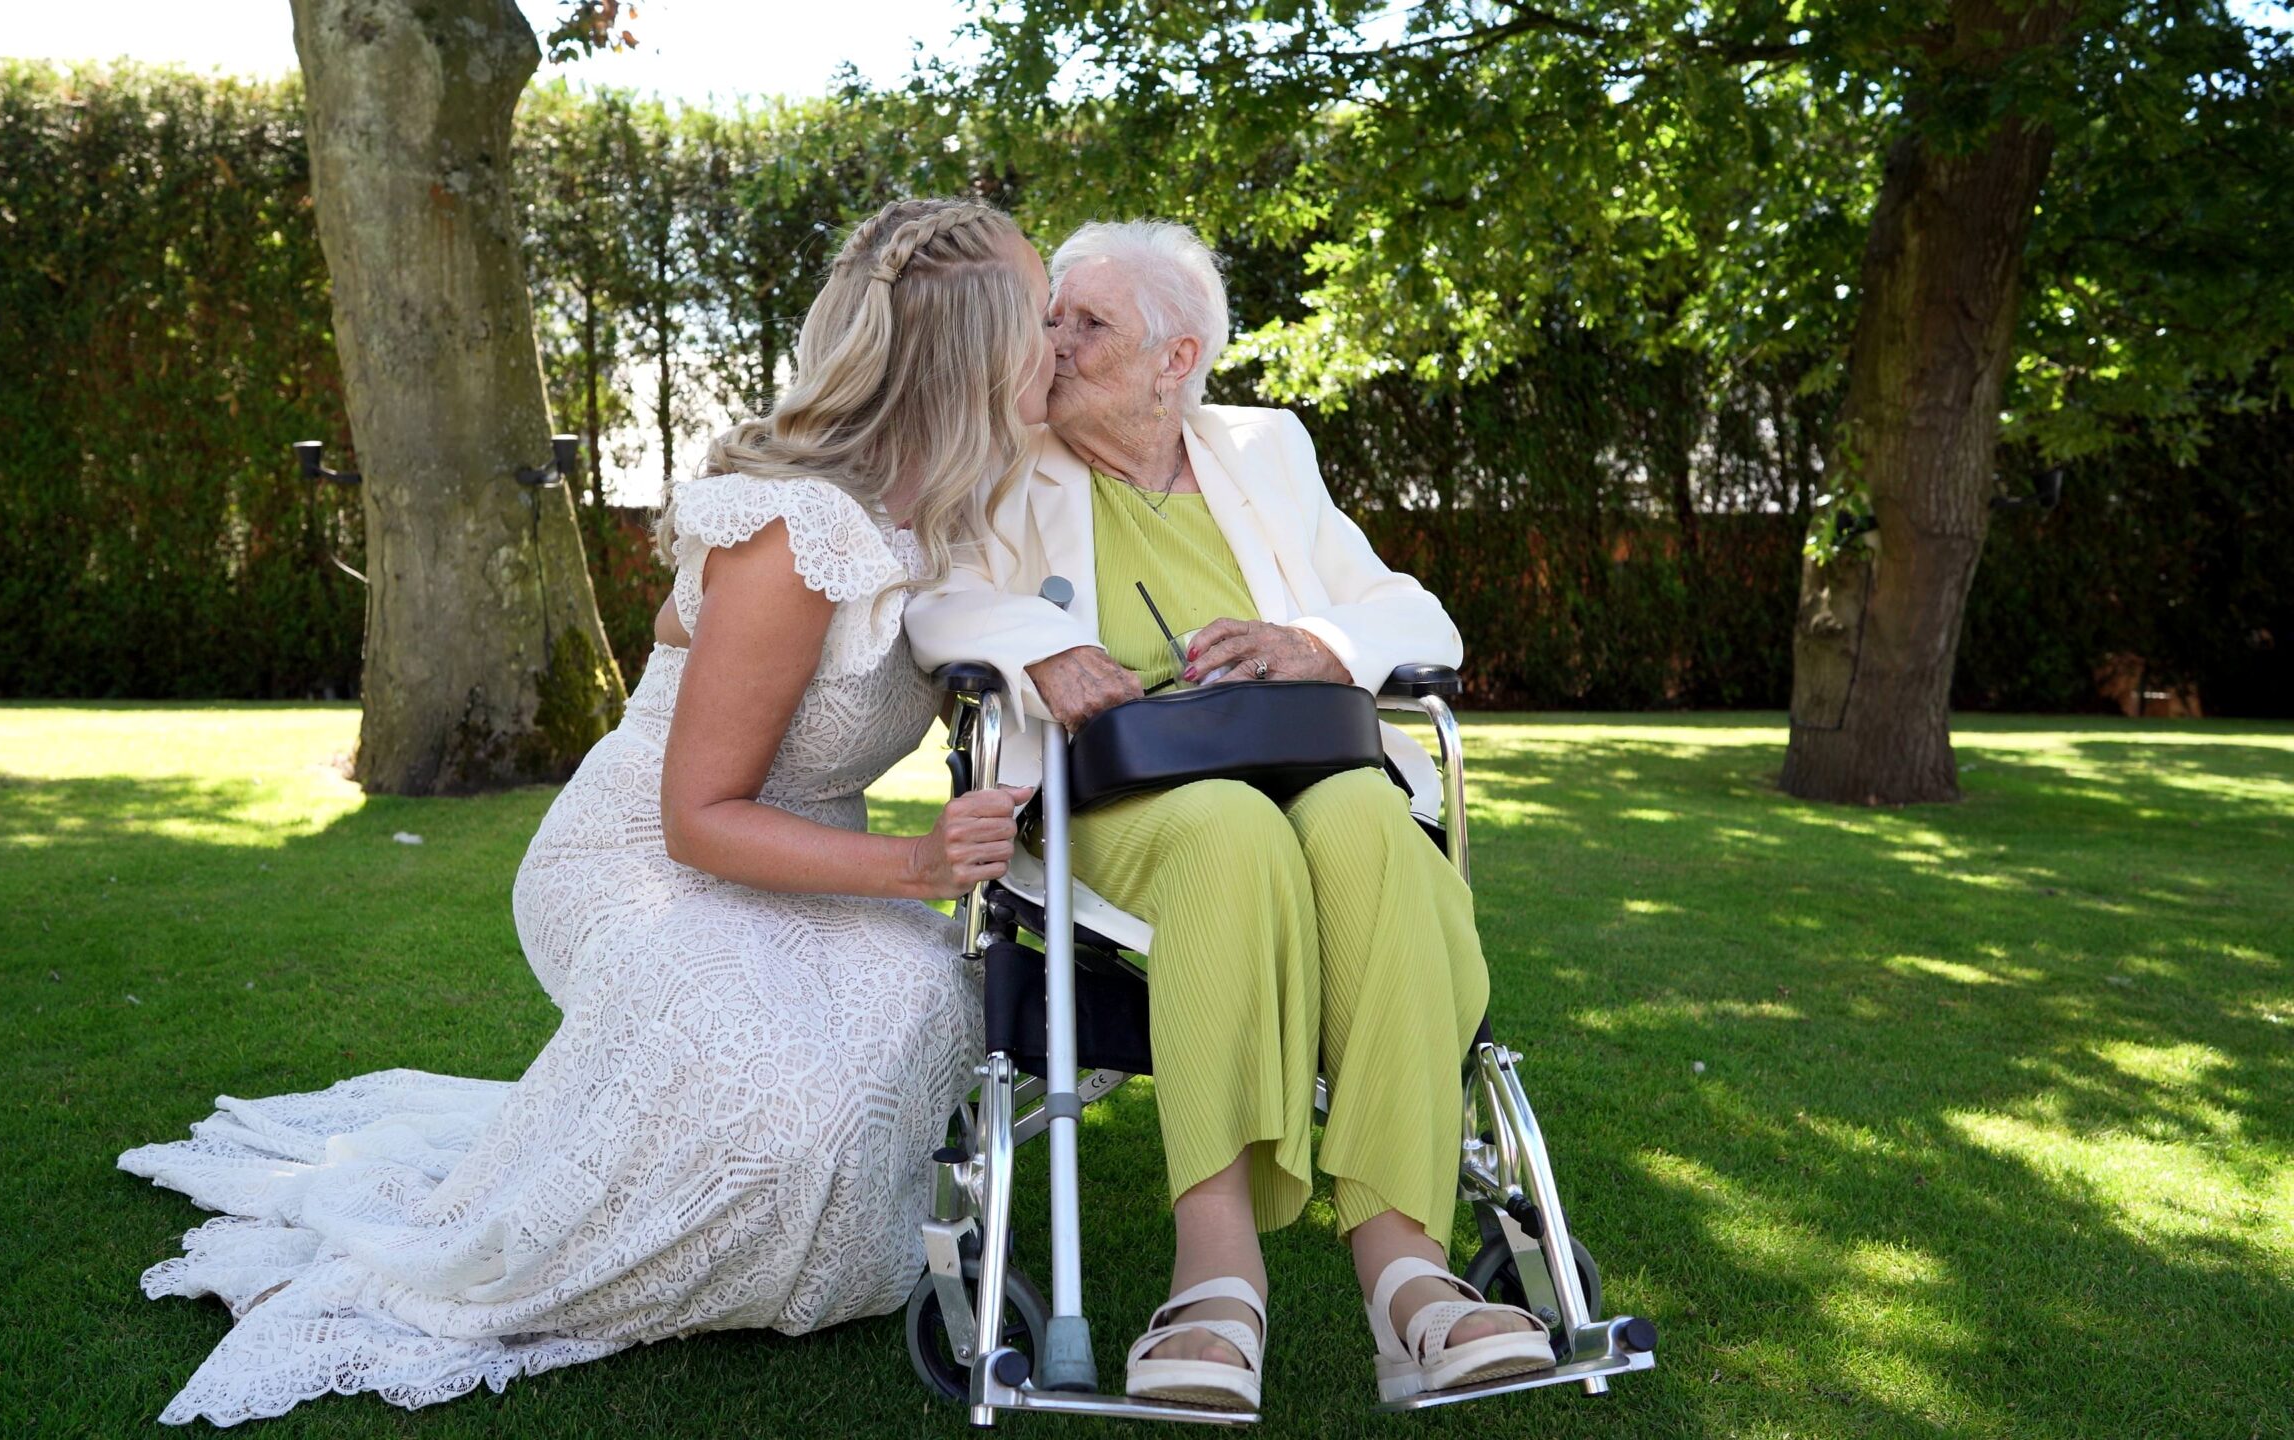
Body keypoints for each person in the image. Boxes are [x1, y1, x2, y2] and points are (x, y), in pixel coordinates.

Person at [118, 198, 1052, 1425]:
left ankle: (774, 1229)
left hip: (804, 856)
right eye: (1043, 318)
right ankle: (564, 1247)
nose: (1063, 342)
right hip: (651, 861)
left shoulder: (958, 519)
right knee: (782, 1115)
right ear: (975, 352)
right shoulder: (799, 532)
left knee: (921, 1002)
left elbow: (692, 632)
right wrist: (918, 862)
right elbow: (698, 818)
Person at [904, 219, 1554, 1410]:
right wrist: (1043, 645)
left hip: (1307, 763)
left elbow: (1415, 615)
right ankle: (1216, 1273)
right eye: (1052, 314)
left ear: (1175, 356)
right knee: (1227, 833)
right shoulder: (1006, 453)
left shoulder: (1265, 447)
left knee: (1375, 834)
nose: (1048, 340)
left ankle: (1405, 1273)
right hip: (1118, 792)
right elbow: (937, 599)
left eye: (1085, 322)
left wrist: (1316, 643)